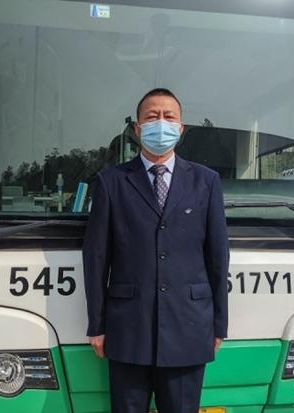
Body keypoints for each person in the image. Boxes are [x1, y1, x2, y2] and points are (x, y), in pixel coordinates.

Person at [82, 88, 230, 413]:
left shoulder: (206, 181)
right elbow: (96, 259)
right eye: (152, 117)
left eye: (169, 117)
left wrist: (219, 324)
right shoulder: (111, 182)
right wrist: (97, 325)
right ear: (137, 129)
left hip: (189, 327)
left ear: (180, 128)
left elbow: (218, 257)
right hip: (127, 329)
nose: (160, 123)